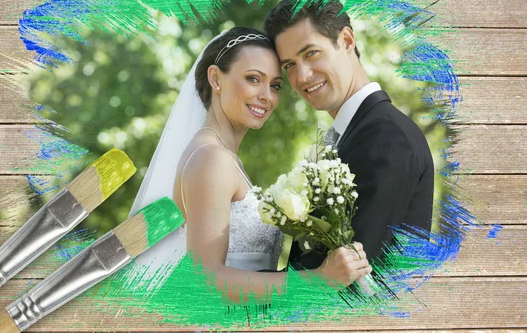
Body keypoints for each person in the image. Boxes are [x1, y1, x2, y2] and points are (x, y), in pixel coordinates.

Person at [129, 27, 372, 303]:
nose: (267, 95)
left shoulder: (220, 155)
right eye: (253, 79)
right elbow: (205, 280)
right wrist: (317, 281)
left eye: (275, 85)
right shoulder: (212, 159)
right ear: (215, 78)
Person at [263, 0, 435, 269]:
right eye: (289, 65)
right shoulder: (350, 135)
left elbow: (355, 283)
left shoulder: (386, 137)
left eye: (311, 53)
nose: (302, 76)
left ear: (346, 41)